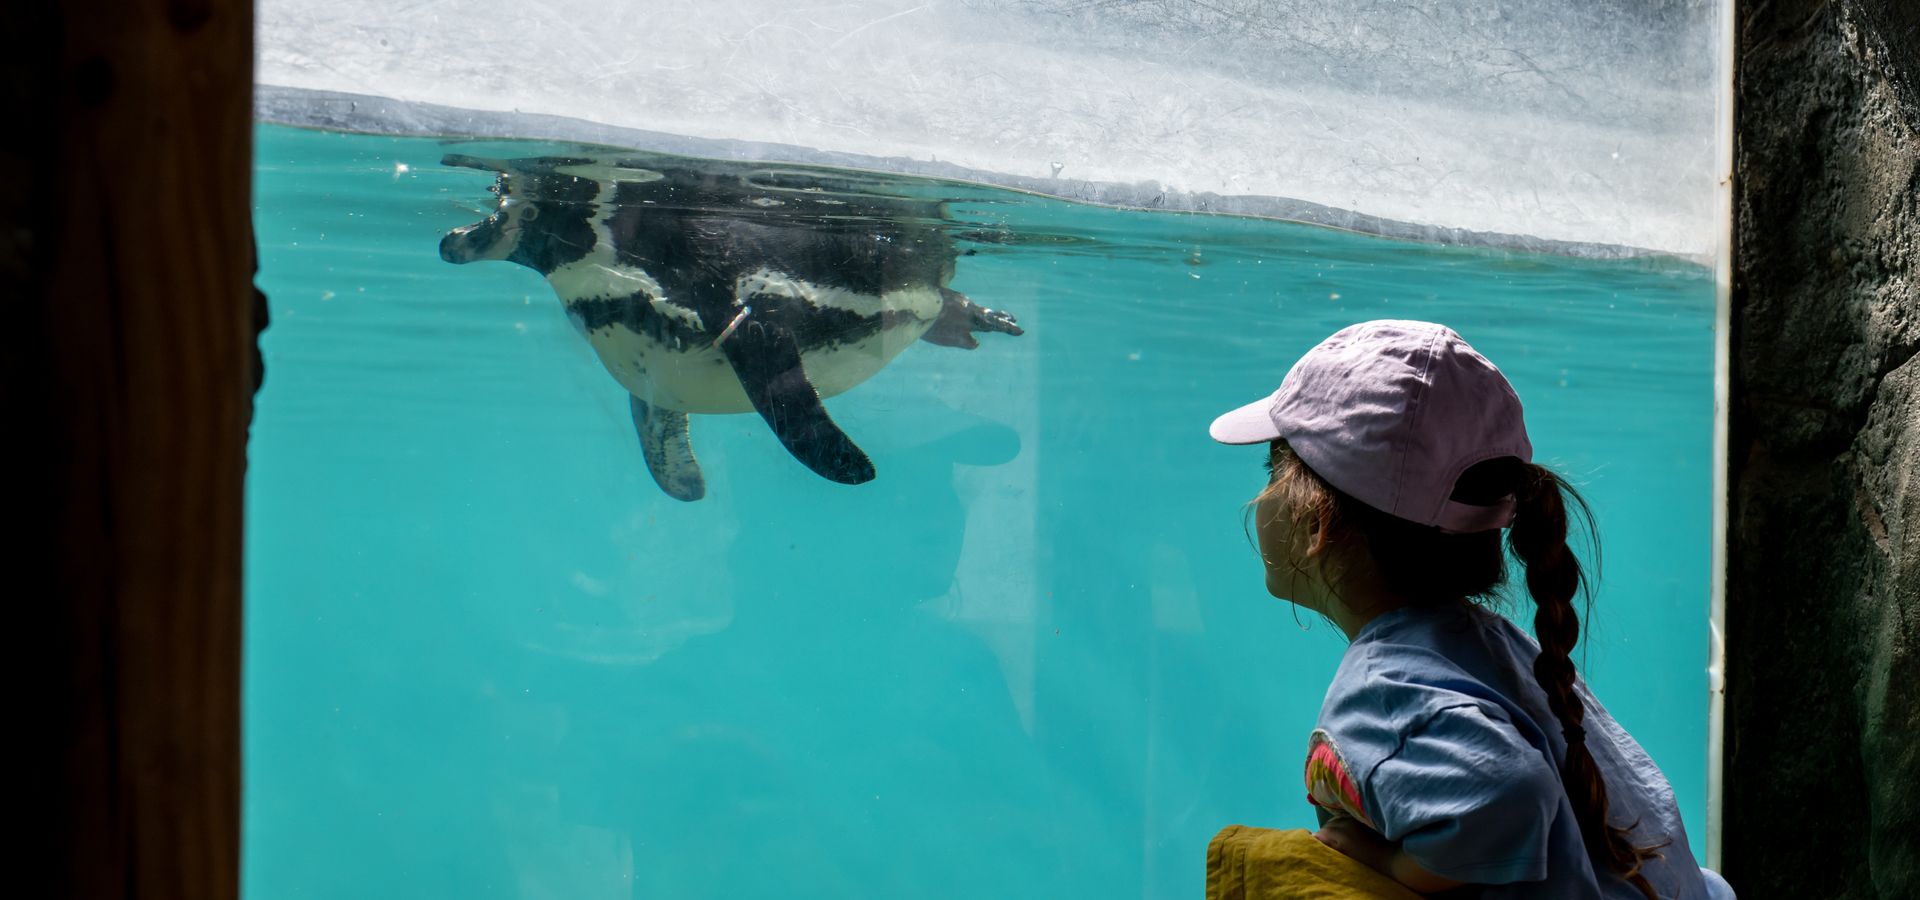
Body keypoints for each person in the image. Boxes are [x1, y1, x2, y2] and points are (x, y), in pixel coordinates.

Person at [1209, 320, 1735, 899]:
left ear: (1318, 521)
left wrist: (1386, 863)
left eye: (1272, 470)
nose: (1260, 498)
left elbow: (1506, 791)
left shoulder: (1384, 687)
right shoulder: (1492, 647)